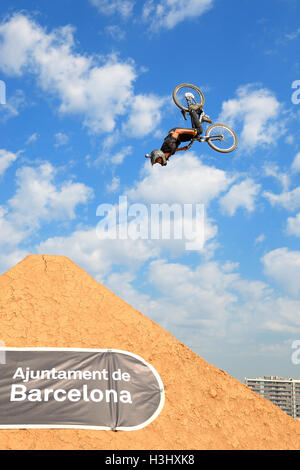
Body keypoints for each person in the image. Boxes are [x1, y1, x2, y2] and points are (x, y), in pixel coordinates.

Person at [146, 108, 211, 166]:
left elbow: (177, 131)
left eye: (158, 160)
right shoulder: (166, 154)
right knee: (196, 136)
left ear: (159, 155)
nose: (159, 162)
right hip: (180, 138)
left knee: (199, 131)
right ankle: (200, 118)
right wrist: (182, 149)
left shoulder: (168, 144)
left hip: (178, 133)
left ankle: (192, 110)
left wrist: (193, 131)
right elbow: (174, 150)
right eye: (158, 162)